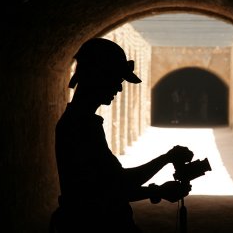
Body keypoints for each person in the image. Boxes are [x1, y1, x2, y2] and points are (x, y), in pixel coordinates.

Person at [50, 38, 193, 233]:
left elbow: (106, 185)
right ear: (98, 76)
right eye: (116, 80)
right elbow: (116, 186)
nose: (118, 88)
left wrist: (162, 174)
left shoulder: (80, 121)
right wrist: (160, 181)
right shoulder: (80, 126)